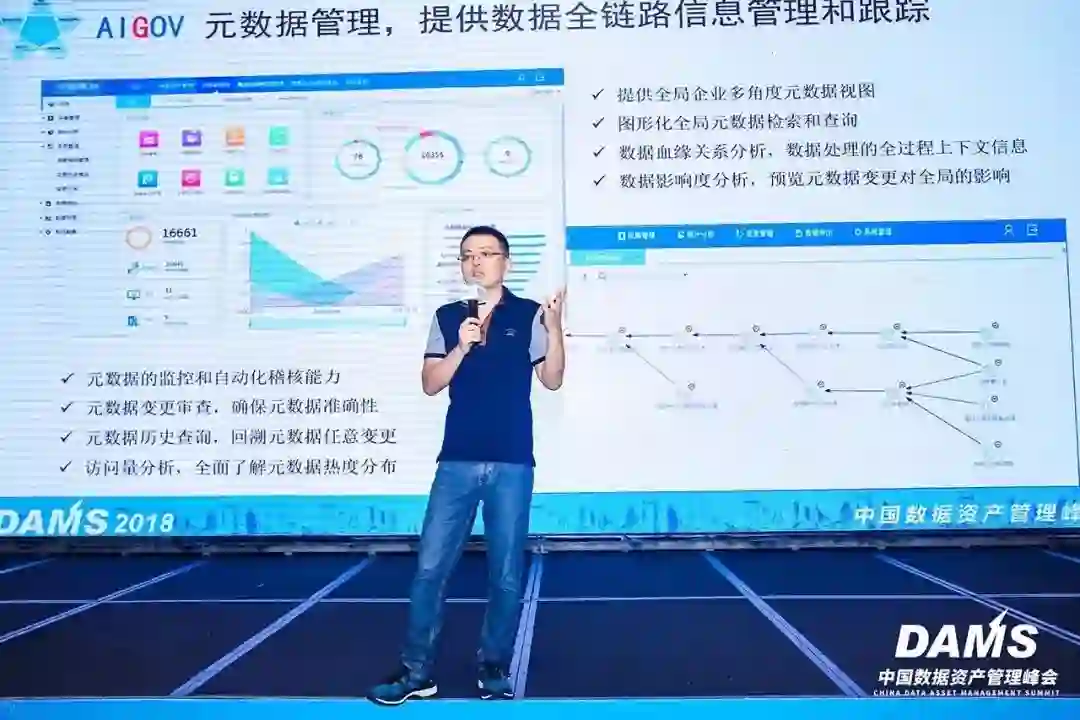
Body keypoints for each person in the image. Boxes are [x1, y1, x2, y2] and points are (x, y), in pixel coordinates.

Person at [366, 225, 565, 705]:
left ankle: (493, 665)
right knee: (430, 569)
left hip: (512, 461)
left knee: (506, 574)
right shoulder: (448, 316)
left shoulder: (529, 314)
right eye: (467, 255)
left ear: (506, 262)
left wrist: (555, 329)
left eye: (486, 253)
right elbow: (431, 383)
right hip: (456, 460)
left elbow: (553, 379)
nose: (476, 262)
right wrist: (461, 346)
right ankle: (416, 672)